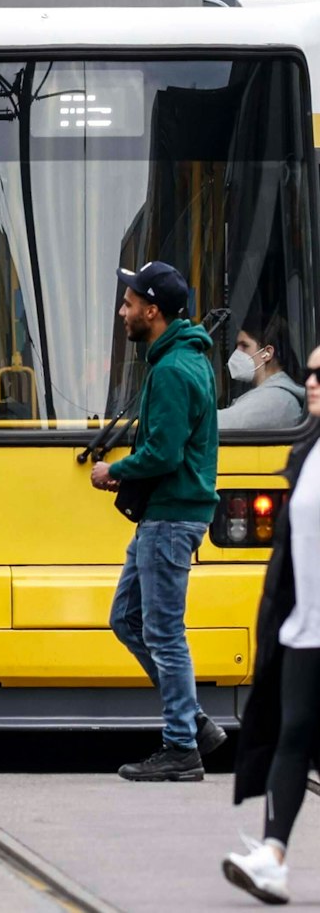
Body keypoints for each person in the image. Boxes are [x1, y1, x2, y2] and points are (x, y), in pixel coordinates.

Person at [88, 262, 225, 781]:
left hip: (171, 517)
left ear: (152, 310)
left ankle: (180, 748)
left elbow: (164, 452)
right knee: (126, 618)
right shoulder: (180, 359)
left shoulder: (171, 370)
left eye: (128, 304)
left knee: (164, 632)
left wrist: (114, 470)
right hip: (164, 516)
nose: (122, 313)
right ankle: (192, 724)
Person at [224, 344, 320, 902]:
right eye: (307, 372)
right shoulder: (306, 451)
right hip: (304, 630)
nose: (309, 382)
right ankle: (271, 857)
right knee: (293, 737)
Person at [220, 317, 305, 431]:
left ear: (267, 353)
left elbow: (221, 424)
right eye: (237, 347)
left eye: (244, 346)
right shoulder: (269, 394)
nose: (237, 353)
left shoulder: (275, 400)